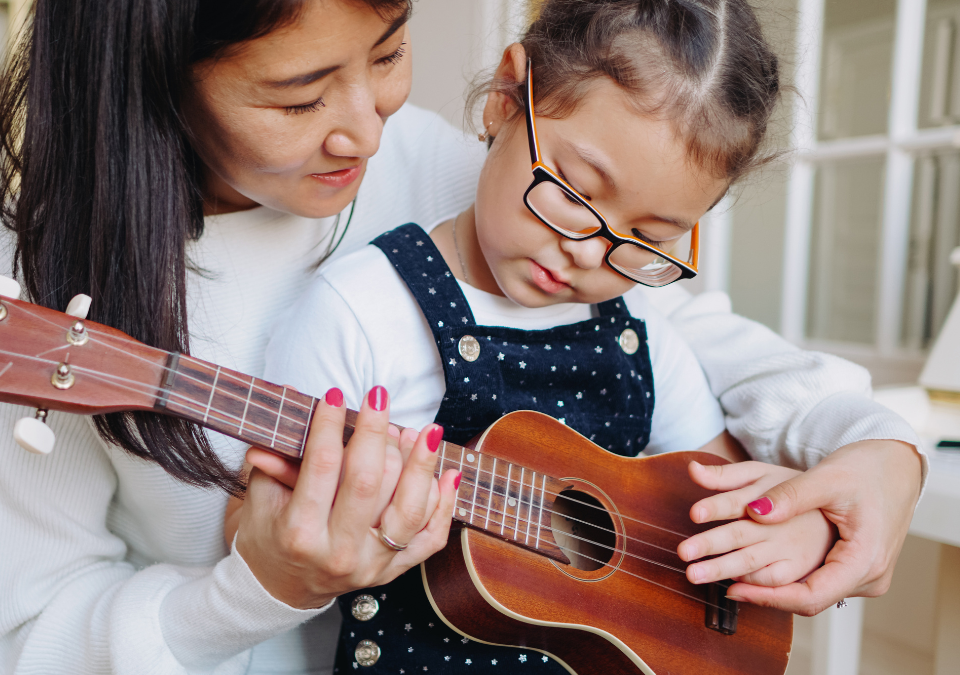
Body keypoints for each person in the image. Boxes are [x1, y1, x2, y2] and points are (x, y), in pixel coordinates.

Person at [0, 0, 923, 674]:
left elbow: (678, 335)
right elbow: (30, 642)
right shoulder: (51, 275)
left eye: (391, 50)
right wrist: (262, 584)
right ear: (151, 71)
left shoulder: (462, 168)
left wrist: (879, 448)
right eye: (298, 97)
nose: (366, 130)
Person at [249, 0, 838, 666]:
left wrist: (788, 530)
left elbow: (722, 503)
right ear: (506, 97)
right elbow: (258, 537)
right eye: (575, 192)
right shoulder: (360, 312)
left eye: (648, 237)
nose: (589, 253)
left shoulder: (641, 334)